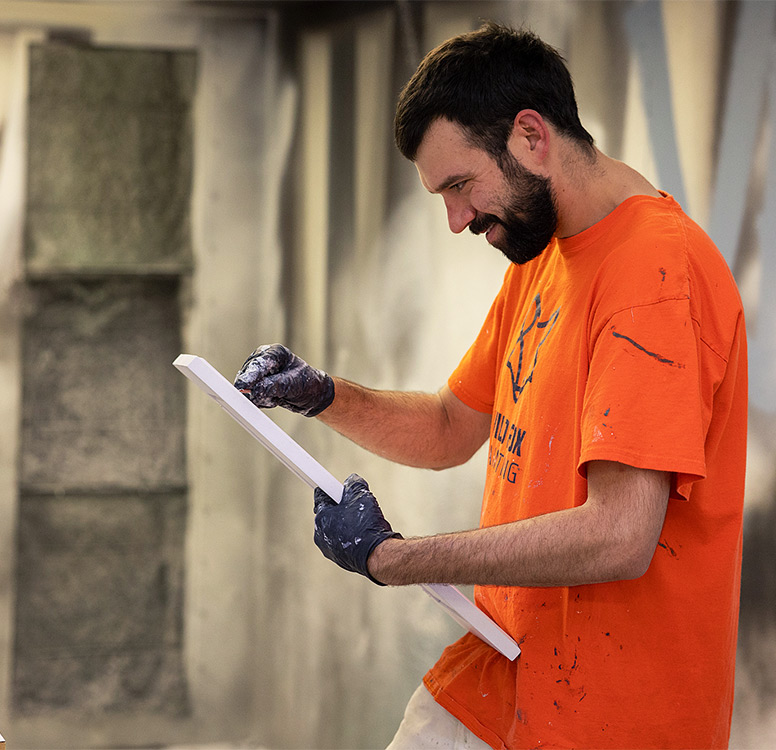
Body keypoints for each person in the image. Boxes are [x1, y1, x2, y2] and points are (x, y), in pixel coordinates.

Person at [233, 21, 747, 750]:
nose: (455, 219)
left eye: (460, 185)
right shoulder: (544, 254)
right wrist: (322, 396)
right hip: (500, 675)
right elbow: (450, 425)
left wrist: (393, 558)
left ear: (531, 136)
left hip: (615, 718)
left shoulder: (655, 279)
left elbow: (619, 536)